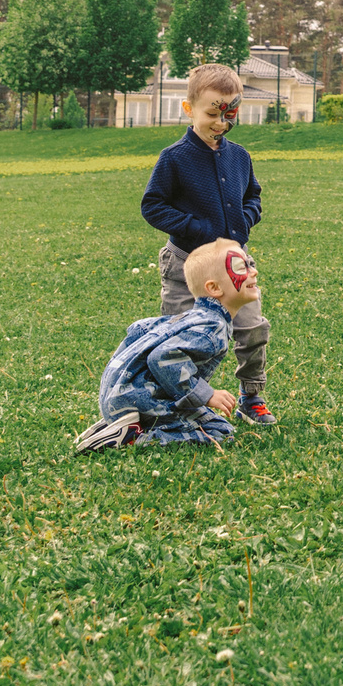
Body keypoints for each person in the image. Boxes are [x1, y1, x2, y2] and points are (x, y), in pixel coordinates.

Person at [140, 63, 272, 426]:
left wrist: (244, 220)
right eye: (212, 112)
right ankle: (184, 402)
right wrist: (195, 228)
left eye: (230, 113)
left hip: (233, 265)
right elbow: (152, 205)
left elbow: (253, 198)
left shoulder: (240, 156)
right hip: (187, 265)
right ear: (189, 109)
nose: (221, 122)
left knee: (252, 328)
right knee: (180, 337)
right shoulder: (174, 158)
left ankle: (251, 395)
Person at [75, 239, 252, 451]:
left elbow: (138, 329)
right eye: (242, 268)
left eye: (250, 264)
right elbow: (162, 356)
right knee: (220, 432)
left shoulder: (191, 317)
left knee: (209, 419)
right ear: (213, 287)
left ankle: (121, 424)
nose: (254, 272)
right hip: (140, 399)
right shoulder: (212, 326)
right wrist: (206, 394)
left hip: (118, 395)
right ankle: (135, 437)